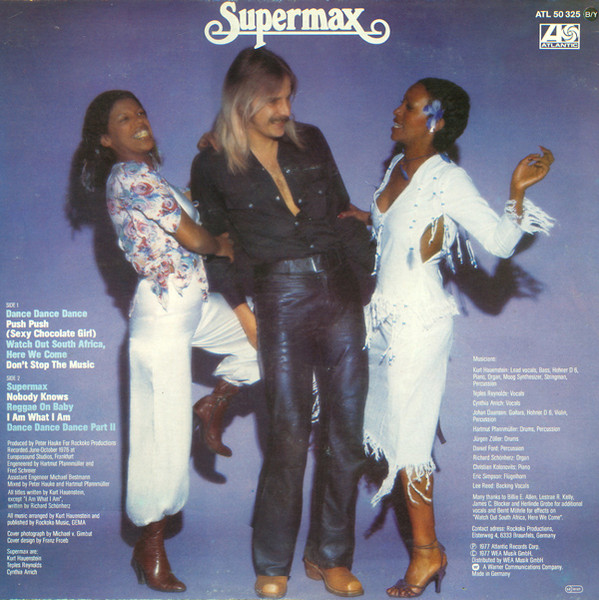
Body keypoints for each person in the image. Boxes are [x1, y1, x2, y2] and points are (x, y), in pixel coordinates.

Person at [340, 78, 554, 598]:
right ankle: (426, 549)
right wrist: (366, 217)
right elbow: (394, 230)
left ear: (434, 122)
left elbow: (500, 243)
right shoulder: (397, 166)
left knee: (410, 439)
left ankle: (426, 553)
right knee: (390, 433)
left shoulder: (447, 178)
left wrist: (516, 193)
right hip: (382, 318)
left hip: (420, 321)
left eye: (409, 106)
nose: (397, 111)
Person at [190, 48, 374, 599]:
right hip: (279, 297)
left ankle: (331, 557)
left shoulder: (310, 140)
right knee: (289, 435)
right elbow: (218, 249)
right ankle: (273, 563)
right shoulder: (211, 164)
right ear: (242, 100)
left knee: (347, 433)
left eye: (289, 97)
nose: (286, 110)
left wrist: (365, 279)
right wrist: (243, 312)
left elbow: (341, 211)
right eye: (273, 99)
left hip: (340, 292)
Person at [77, 90, 261, 592]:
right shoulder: (127, 176)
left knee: (264, 339)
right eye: (124, 118)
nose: (139, 120)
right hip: (161, 314)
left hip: (193, 304)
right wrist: (219, 245)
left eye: (140, 111)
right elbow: (195, 238)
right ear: (105, 138)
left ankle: (215, 403)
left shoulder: (154, 178)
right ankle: (151, 544)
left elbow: (194, 207)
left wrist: (210, 153)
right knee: (161, 436)